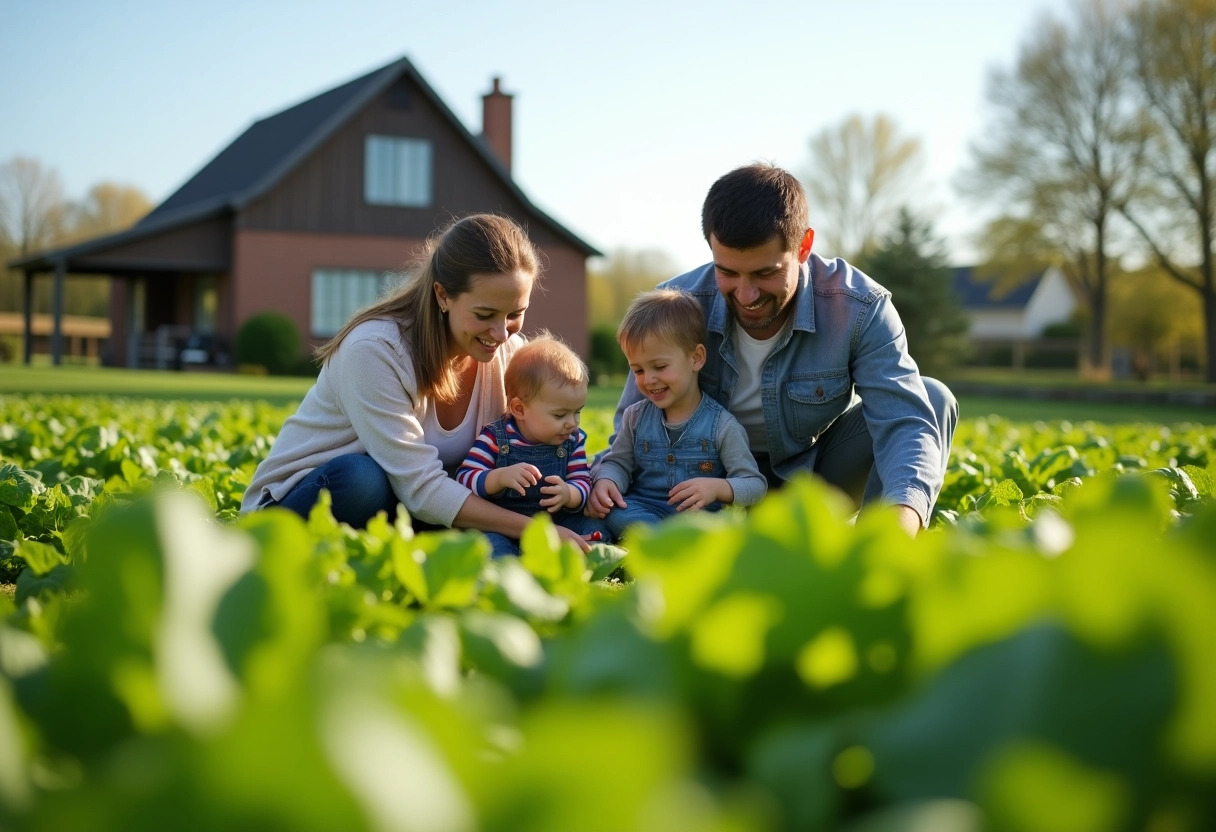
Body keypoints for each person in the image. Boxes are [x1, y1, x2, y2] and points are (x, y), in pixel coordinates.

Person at [604, 164, 958, 537]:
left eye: (764, 273)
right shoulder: (673, 308)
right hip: (705, 495)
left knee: (932, 398)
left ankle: (874, 554)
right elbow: (634, 423)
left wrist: (901, 525)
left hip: (806, 484)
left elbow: (904, 422)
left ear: (803, 246)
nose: (745, 294)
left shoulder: (859, 308)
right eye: (727, 272)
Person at [240, 213, 592, 552]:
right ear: (443, 296)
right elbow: (421, 488)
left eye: (515, 314)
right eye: (484, 315)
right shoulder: (375, 350)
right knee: (363, 479)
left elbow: (543, 438)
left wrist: (600, 482)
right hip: (301, 502)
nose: (502, 333)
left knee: (486, 541)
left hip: (412, 508)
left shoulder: (511, 356)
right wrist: (539, 532)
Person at [588, 288, 767, 539]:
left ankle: (665, 544)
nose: (649, 379)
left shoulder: (722, 426)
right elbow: (618, 462)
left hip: (696, 521)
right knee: (617, 513)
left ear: (696, 358)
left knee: (718, 532)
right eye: (637, 370)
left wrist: (718, 488)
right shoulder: (636, 417)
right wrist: (608, 481)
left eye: (659, 366)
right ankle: (667, 544)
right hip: (643, 510)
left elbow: (755, 484)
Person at [456, 333, 608, 557]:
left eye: (577, 412)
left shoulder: (573, 440)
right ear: (519, 409)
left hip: (556, 523)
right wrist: (498, 478)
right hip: (503, 526)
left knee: (597, 531)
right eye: (560, 415)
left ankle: (565, 556)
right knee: (491, 547)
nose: (572, 423)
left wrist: (570, 494)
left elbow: (582, 480)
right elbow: (464, 478)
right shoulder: (496, 438)